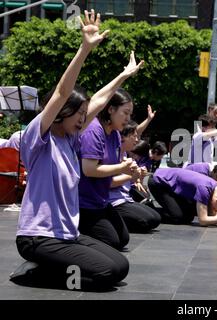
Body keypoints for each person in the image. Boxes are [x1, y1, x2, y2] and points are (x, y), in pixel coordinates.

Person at [10, 10, 130, 290]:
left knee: (120, 265)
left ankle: (51, 266)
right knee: (106, 274)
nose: (82, 118)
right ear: (62, 112)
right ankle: (37, 272)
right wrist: (84, 49)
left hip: (67, 234)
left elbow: (100, 100)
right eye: (78, 113)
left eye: (84, 114)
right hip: (38, 237)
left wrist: (123, 75)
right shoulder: (38, 138)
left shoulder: (70, 140)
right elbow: (62, 93)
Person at [78, 83, 144, 251]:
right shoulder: (94, 131)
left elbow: (111, 173)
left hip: (100, 200)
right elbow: (89, 169)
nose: (128, 119)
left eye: (130, 114)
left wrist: (129, 173)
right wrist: (122, 168)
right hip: (83, 203)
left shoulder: (114, 134)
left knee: (122, 239)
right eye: (125, 113)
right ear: (110, 110)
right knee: (112, 242)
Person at [109, 121, 161, 233]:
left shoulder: (124, 154)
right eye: (134, 137)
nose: (137, 140)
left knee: (155, 218)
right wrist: (130, 175)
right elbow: (108, 183)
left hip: (125, 198)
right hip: (114, 201)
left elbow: (130, 180)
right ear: (123, 137)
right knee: (146, 221)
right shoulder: (112, 155)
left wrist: (138, 177)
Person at [148, 168, 217, 226]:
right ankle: (149, 209)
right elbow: (203, 220)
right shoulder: (205, 189)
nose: (214, 213)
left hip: (170, 185)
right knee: (177, 217)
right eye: (215, 210)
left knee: (188, 216)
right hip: (158, 182)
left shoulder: (213, 187)